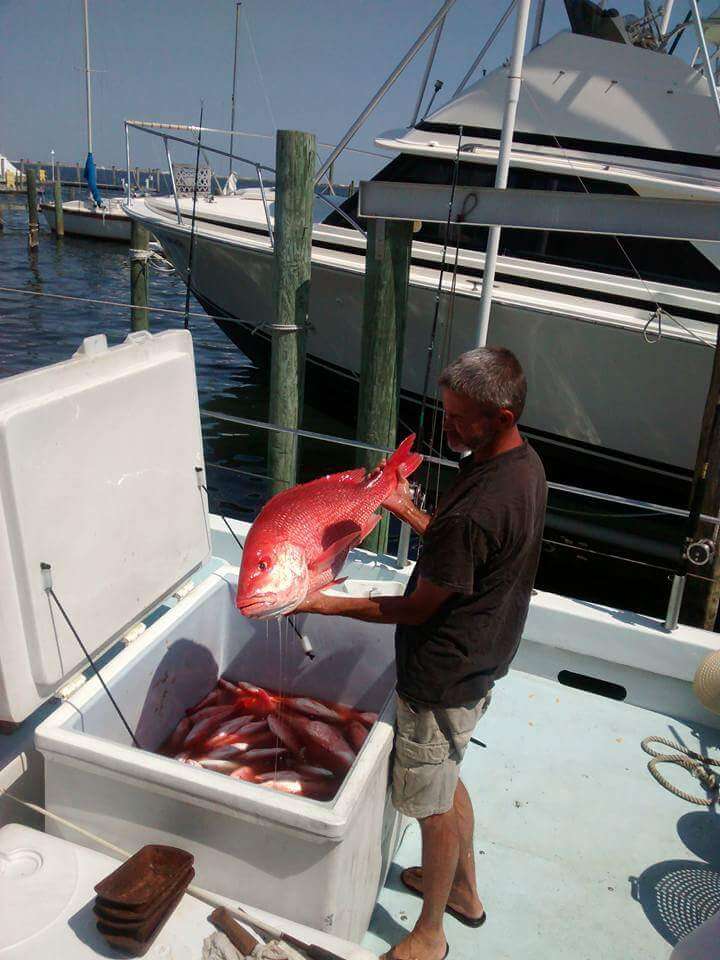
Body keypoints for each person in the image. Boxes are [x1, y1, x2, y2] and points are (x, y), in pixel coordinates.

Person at [292, 346, 547, 960]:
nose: (446, 426)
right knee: (449, 774)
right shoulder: (520, 466)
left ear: (503, 416)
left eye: (460, 417)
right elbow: (467, 555)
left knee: (430, 806)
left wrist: (320, 602)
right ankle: (464, 891)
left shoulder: (482, 502)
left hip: (444, 670)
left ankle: (430, 933)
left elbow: (415, 608)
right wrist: (409, 509)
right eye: (445, 409)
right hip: (485, 653)